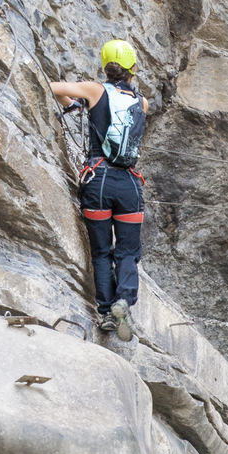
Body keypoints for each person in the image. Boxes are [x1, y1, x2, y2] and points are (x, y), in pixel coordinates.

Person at [50, 40, 148, 341]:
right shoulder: (142, 103)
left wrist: (74, 105)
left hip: (98, 180)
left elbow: (54, 87)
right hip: (129, 183)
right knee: (128, 251)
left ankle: (105, 313)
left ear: (106, 66)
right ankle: (124, 300)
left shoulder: (95, 90)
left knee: (102, 252)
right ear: (133, 69)